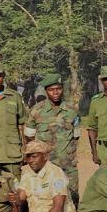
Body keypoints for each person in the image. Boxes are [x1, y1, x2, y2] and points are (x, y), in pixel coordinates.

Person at [24, 73, 80, 205]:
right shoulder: (36, 111)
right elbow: (29, 137)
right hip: (45, 166)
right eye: (51, 90)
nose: (55, 92)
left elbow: (76, 136)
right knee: (45, 200)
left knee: (72, 199)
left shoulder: (72, 110)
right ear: (46, 91)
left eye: (58, 89)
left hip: (68, 166)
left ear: (62, 89)